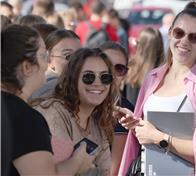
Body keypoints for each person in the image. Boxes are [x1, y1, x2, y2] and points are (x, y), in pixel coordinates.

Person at [116, 1, 196, 175]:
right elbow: (145, 135)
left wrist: (158, 138)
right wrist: (136, 124)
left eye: (193, 37)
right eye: (179, 33)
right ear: (171, 33)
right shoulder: (152, 77)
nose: (184, 41)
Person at [1, 24, 92, 176]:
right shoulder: (24, 118)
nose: (48, 62)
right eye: (43, 55)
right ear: (27, 67)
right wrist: (78, 161)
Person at [33, 48, 118, 175]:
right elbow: (62, 170)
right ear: (73, 79)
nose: (97, 83)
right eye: (88, 77)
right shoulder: (54, 112)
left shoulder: (97, 123)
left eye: (105, 77)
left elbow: (106, 172)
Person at [99, 42, 134, 175]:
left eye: (119, 69)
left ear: (125, 74)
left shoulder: (124, 110)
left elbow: (114, 171)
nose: (112, 74)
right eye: (106, 66)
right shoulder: (77, 100)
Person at [30, 29, 82, 99]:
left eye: (81, 55)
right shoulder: (55, 88)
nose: (77, 61)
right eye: (68, 56)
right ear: (48, 58)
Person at [125, 27, 165, 106]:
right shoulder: (164, 71)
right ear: (160, 46)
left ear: (140, 45)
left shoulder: (130, 68)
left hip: (129, 115)